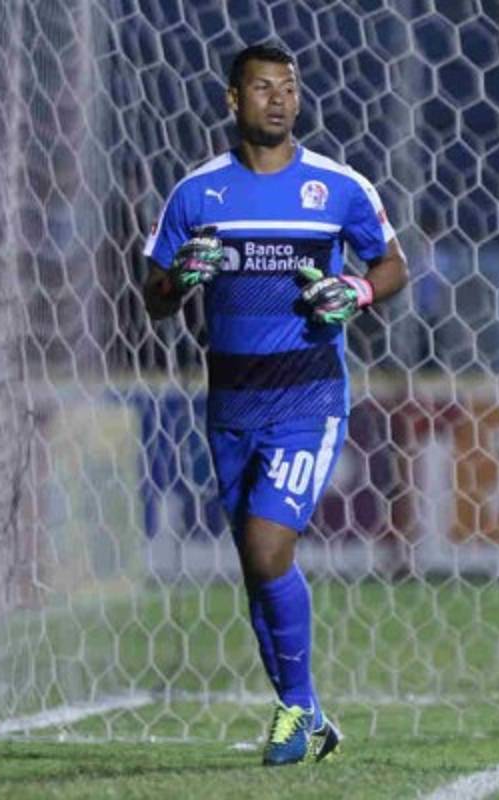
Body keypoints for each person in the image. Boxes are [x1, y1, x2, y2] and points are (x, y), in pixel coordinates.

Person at [142, 42, 409, 765]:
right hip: (229, 405)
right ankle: (309, 713)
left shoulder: (338, 187)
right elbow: (155, 298)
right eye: (262, 88)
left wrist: (357, 290)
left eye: (288, 88)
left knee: (267, 548)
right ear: (234, 100)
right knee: (257, 568)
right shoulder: (198, 194)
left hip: (309, 398)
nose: (279, 100)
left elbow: (392, 265)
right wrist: (179, 282)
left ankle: (294, 707)